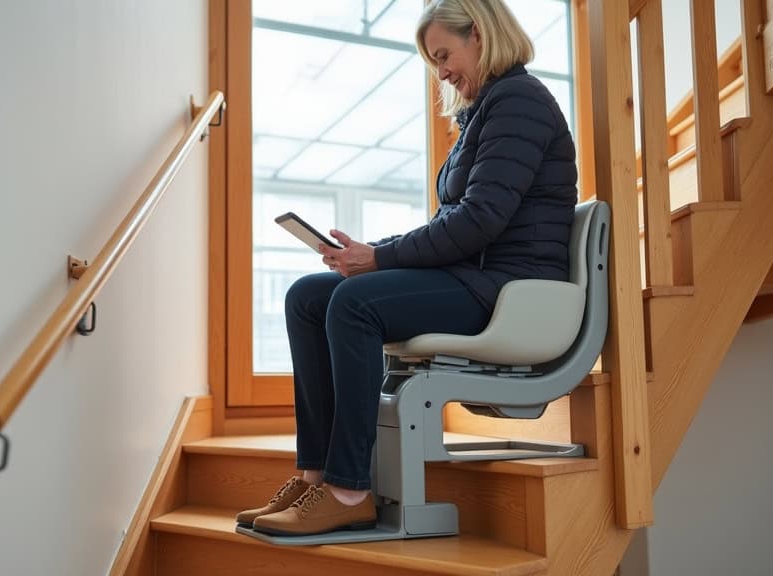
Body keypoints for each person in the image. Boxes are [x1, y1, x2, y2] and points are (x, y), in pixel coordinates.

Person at [237, 0, 578, 537]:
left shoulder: (520, 102)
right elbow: (456, 221)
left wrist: (377, 260)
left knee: (354, 302)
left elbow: (479, 221)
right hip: (476, 275)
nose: (441, 71)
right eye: (433, 61)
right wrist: (372, 253)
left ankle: (350, 491)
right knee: (307, 296)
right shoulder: (485, 112)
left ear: (482, 37)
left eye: (444, 55)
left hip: (509, 288)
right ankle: (316, 476)